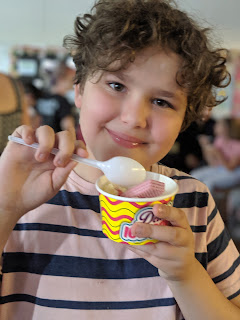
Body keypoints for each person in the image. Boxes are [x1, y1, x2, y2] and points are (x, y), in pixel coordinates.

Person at [0, 1, 239, 319]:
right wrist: (5, 208)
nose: (133, 118)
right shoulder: (18, 193)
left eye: (161, 101)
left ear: (184, 120)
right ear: (80, 91)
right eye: (116, 85)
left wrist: (186, 275)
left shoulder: (193, 201)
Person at [190, 118, 240, 193]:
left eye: (218, 125)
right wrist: (205, 147)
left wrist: (218, 153)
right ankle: (189, 202)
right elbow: (212, 164)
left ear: (226, 128)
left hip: (234, 173)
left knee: (208, 182)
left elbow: (230, 168)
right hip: (219, 169)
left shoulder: (237, 145)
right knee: (194, 175)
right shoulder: (219, 140)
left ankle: (205, 204)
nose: (215, 126)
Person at [35, 62, 76, 136]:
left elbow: (35, 122)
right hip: (57, 143)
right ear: (61, 79)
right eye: (71, 79)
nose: (74, 82)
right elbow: (69, 129)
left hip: (40, 139)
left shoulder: (41, 97)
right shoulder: (63, 102)